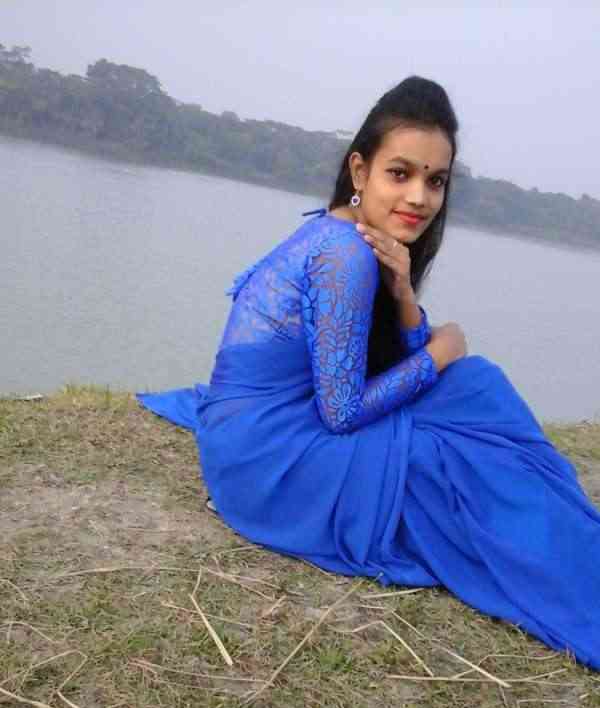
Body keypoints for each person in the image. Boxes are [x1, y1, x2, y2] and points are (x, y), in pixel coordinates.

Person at [137, 76, 600, 670]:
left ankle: (554, 522)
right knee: (454, 461)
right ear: (360, 171)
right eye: (400, 173)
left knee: (475, 386)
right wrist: (441, 351)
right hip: (267, 462)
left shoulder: (353, 236)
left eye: (436, 181)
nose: (420, 197)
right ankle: (559, 549)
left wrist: (404, 293)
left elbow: (380, 364)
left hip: (261, 429)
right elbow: (343, 413)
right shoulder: (344, 255)